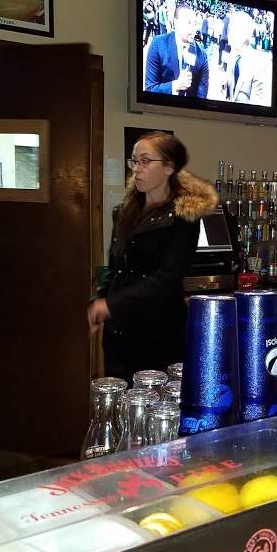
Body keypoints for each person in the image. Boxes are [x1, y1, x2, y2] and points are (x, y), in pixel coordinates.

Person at [88, 132, 217, 383]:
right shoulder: (124, 211)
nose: (136, 169)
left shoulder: (183, 215)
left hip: (158, 334)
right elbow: (115, 268)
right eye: (134, 161)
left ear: (169, 167)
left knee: (156, 402)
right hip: (120, 334)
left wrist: (111, 305)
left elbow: (167, 277)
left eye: (145, 161)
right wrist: (99, 299)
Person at [143, 4, 209, 98]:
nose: (193, 28)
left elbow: (201, 96)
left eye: (195, 23)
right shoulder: (158, 44)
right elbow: (150, 88)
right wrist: (175, 86)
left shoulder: (202, 56)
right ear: (176, 23)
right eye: (189, 23)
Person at [224, 9, 268, 105]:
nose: (228, 34)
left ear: (244, 35)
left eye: (232, 30)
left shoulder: (258, 63)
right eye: (229, 30)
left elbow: (256, 104)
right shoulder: (231, 56)